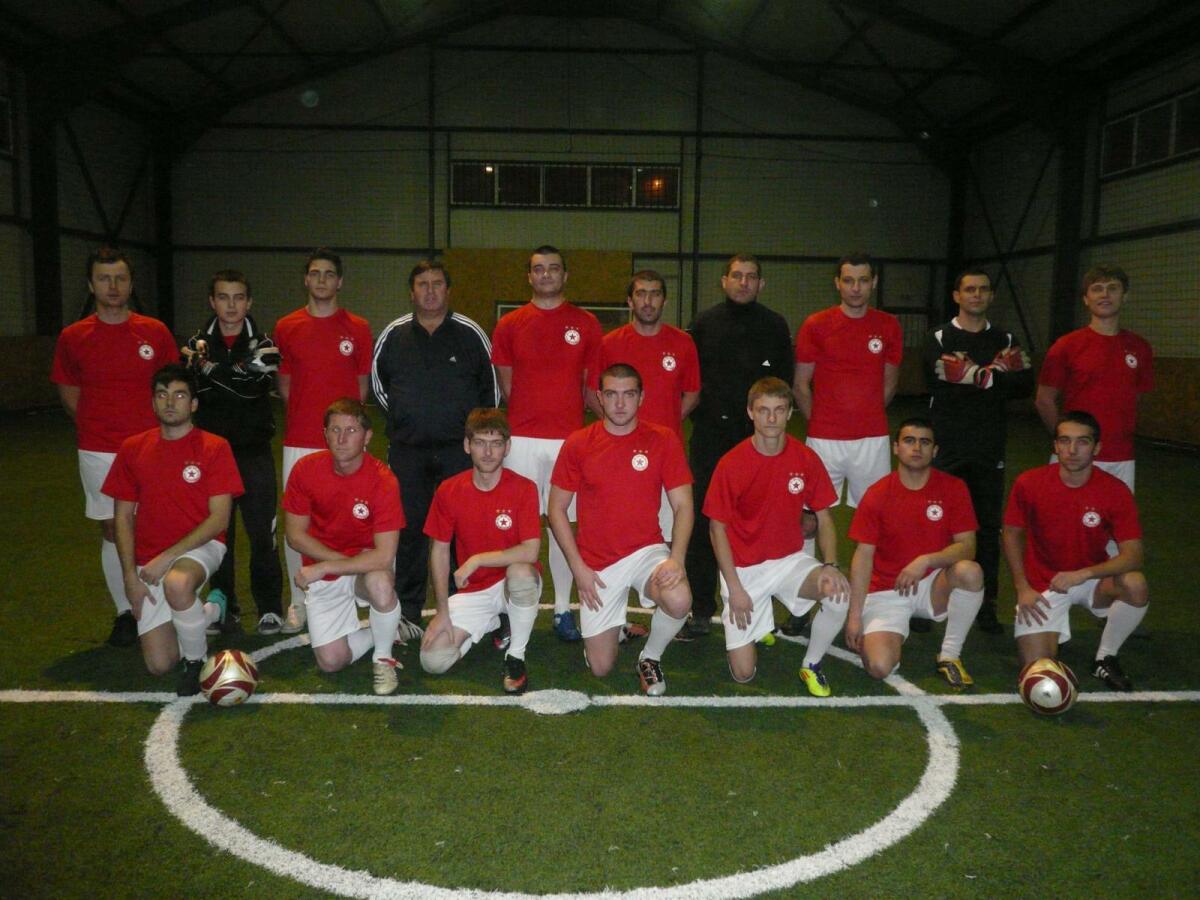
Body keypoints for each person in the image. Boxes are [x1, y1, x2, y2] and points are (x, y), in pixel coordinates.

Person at [51, 247, 180, 648]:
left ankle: (167, 606)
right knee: (112, 529)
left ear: (130, 283)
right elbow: (68, 390)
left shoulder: (154, 332)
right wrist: (97, 426)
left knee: (155, 525)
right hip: (99, 450)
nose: (113, 286)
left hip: (152, 447)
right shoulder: (74, 337)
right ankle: (127, 611)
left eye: (120, 278)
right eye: (104, 279)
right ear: (91, 285)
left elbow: (172, 387)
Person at [548, 364, 693, 695]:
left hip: (646, 552)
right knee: (601, 667)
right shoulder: (579, 443)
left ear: (641, 398)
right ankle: (615, 630)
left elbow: (684, 505)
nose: (620, 403)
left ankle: (650, 657)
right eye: (611, 394)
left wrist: (676, 559)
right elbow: (555, 509)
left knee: (679, 598)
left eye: (628, 394)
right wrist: (578, 568)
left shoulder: (663, 439)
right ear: (599, 397)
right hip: (597, 563)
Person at [101, 364, 243, 695]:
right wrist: (130, 578)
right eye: (162, 395)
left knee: (177, 583)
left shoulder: (214, 447)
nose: (170, 402)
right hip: (149, 562)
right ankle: (209, 611)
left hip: (202, 546)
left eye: (179, 395)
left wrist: (167, 557)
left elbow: (219, 520)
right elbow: (122, 518)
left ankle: (196, 663)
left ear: (193, 404)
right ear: (153, 402)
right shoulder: (133, 448)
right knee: (159, 664)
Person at [372, 260, 499, 629]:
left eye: (437, 283)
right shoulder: (394, 335)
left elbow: (490, 391)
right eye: (422, 284)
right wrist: (408, 419)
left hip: (458, 452)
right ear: (412, 292)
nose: (430, 291)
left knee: (462, 529)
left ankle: (464, 607)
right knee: (409, 530)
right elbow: (379, 388)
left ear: (448, 290)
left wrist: (471, 436)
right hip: (408, 452)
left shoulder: (470, 334)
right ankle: (408, 611)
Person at [704, 377, 850, 694]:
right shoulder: (732, 463)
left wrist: (831, 565)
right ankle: (758, 623)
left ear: (789, 412)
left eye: (779, 410)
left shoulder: (805, 458)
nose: (771, 418)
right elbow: (717, 529)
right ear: (750, 412)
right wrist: (735, 588)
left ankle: (812, 664)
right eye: (763, 410)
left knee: (838, 591)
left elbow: (824, 517)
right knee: (744, 674)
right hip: (744, 569)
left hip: (788, 561)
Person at [491, 245, 603, 643]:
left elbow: (590, 385)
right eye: (539, 269)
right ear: (529, 276)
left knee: (562, 526)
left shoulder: (586, 324)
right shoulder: (510, 324)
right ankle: (507, 613)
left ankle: (561, 610)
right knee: (512, 526)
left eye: (554, 268)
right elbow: (507, 385)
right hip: (520, 440)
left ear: (565, 275)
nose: (546, 275)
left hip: (568, 441)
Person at [682, 254, 792, 641]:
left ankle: (756, 605)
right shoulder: (703, 325)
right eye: (737, 276)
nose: (744, 282)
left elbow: (783, 385)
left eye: (751, 277)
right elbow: (690, 382)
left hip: (758, 443)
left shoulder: (775, 326)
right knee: (703, 522)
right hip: (711, 440)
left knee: (756, 524)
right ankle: (701, 608)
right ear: (724, 281)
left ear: (761, 284)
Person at [793, 253, 904, 633]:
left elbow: (890, 384)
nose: (856, 288)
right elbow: (801, 384)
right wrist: (823, 423)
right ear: (837, 283)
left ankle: (871, 603)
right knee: (808, 520)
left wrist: (862, 417)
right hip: (823, 441)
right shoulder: (817, 325)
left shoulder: (888, 326)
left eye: (863, 280)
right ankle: (801, 606)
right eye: (848, 280)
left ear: (873, 283)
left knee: (874, 524)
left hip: (872, 441)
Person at [1003, 411, 1149, 691]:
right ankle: (1052, 633)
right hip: (1043, 584)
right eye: (1064, 441)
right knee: (1038, 674)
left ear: (1096, 448)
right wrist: (1022, 588)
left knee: (1135, 583)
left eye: (1082, 442)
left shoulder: (1115, 490)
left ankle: (1105, 657)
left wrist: (1083, 574)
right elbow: (1011, 534)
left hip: (1091, 580)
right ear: (1055, 446)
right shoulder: (1029, 483)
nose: (1072, 450)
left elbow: (1134, 555)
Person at [924, 268, 1033, 633]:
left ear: (990, 296)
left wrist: (972, 374)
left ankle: (985, 605)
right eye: (969, 289)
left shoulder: (1005, 336)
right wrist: (997, 371)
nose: (976, 295)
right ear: (957, 295)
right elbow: (938, 379)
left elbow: (1024, 385)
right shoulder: (939, 337)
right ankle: (927, 602)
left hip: (989, 447)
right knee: (936, 524)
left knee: (986, 528)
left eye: (983, 289)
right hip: (947, 446)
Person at [274, 249, 373, 635]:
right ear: (306, 279)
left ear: (340, 282)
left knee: (352, 518)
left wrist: (348, 433)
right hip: (301, 439)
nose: (321, 280)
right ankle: (298, 601)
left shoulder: (358, 327)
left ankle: (353, 592)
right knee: (298, 523)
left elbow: (360, 388)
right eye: (315, 273)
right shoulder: (286, 327)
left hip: (347, 440)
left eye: (329, 274)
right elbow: (285, 385)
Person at [844, 419, 984, 688]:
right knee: (878, 666)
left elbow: (968, 546)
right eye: (909, 441)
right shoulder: (878, 493)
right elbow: (863, 557)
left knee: (970, 571)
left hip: (932, 584)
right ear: (896, 448)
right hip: (887, 590)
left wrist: (926, 560)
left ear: (935, 450)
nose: (917, 448)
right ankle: (889, 636)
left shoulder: (953, 488)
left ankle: (949, 655)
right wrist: (854, 617)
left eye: (925, 442)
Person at [183, 269, 285, 635]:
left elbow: (249, 388)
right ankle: (223, 607)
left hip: (254, 453)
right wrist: (235, 372)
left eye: (238, 297)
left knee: (263, 535)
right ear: (212, 302)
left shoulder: (266, 344)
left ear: (249, 302)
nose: (231, 305)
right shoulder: (194, 344)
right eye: (223, 297)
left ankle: (270, 608)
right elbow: (228, 384)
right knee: (217, 534)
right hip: (211, 457)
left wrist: (209, 371)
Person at [282, 399, 406, 695]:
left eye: (351, 430)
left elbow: (384, 556)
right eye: (335, 430)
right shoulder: (305, 470)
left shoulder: (383, 480)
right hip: (336, 567)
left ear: (367, 436)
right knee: (332, 661)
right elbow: (295, 536)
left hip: (364, 566)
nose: (341, 438)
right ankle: (383, 630)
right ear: (324, 434)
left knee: (380, 584)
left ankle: (383, 658)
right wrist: (339, 564)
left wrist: (328, 565)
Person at [419, 408, 542, 694]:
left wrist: (476, 560)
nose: (488, 452)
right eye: (480, 443)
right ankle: (496, 621)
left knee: (520, 574)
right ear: (467, 445)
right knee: (432, 661)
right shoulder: (449, 490)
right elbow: (439, 551)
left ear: (507, 447)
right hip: (475, 590)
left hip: (514, 583)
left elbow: (530, 552)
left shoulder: (524, 488)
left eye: (496, 443)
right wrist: (442, 611)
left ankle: (516, 656)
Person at [600, 269, 700, 547]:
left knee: (667, 531)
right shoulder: (609, 344)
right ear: (629, 301)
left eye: (655, 294)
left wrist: (664, 423)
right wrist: (620, 426)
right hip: (618, 450)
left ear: (664, 301)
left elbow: (692, 393)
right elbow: (593, 393)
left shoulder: (683, 343)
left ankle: (665, 573)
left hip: (667, 451)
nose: (647, 301)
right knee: (619, 527)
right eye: (641, 294)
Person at [1036, 265, 1153, 493]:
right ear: (1086, 299)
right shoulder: (1066, 346)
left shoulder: (1140, 347)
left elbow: (1137, 398)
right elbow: (1044, 400)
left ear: (1125, 296)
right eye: (1097, 289)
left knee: (1115, 516)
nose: (1105, 294)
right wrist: (1067, 442)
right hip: (1074, 458)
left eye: (1113, 288)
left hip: (1121, 457)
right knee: (1064, 515)